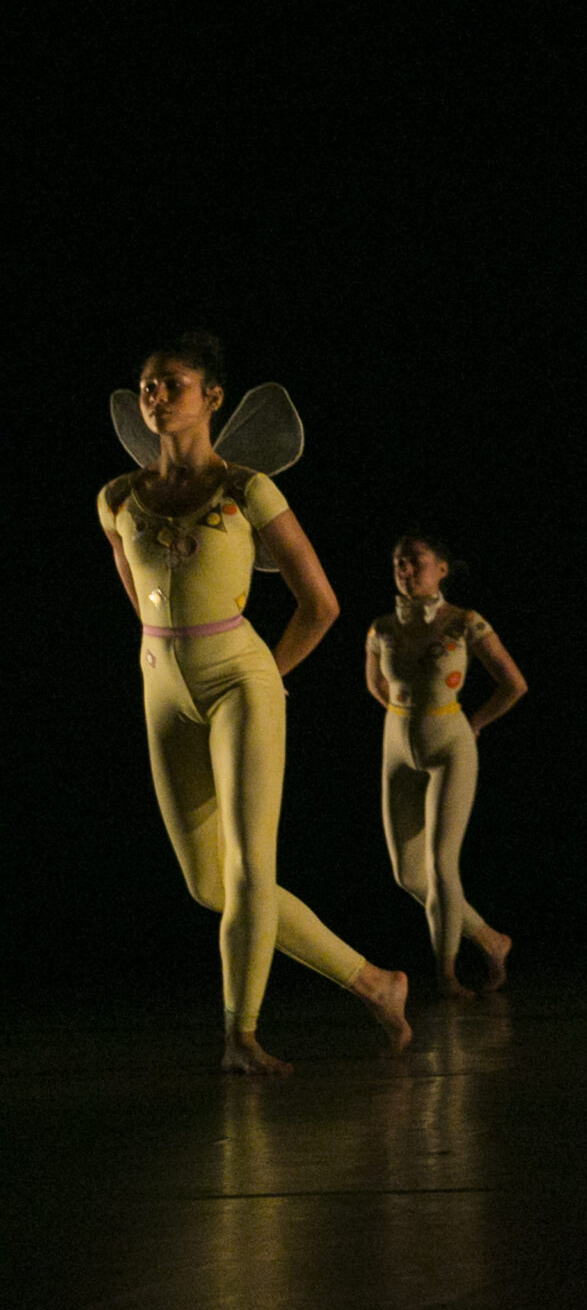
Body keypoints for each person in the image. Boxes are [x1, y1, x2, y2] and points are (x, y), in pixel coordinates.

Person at [98, 332, 412, 1074]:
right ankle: (376, 983)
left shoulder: (247, 489)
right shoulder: (117, 498)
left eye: (171, 382)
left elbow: (322, 603)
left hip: (242, 679)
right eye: (146, 384)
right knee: (208, 884)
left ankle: (241, 1033)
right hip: (163, 688)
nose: (155, 395)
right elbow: (138, 601)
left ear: (211, 396)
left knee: (247, 867)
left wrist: (265, 675)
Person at [364, 534, 526, 999]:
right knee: (408, 874)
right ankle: (492, 940)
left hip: (450, 744)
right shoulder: (380, 628)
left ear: (441, 569)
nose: (405, 570)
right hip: (397, 745)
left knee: (440, 864)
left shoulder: (465, 623)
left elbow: (513, 684)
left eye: (414, 562)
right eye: (398, 562)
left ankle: (447, 974)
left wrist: (474, 722)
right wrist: (401, 715)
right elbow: (374, 681)